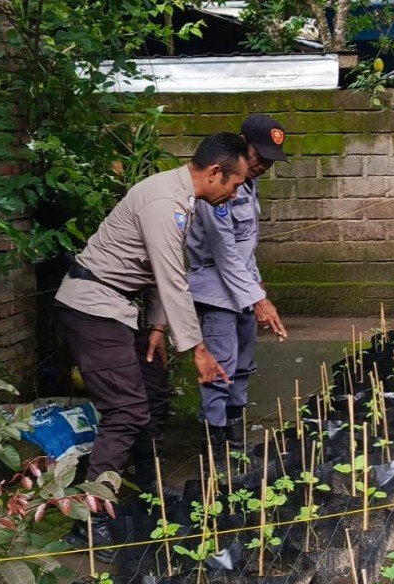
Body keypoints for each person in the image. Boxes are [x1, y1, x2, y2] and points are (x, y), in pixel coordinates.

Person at [56, 133, 248, 558]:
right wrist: (196, 349)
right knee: (125, 409)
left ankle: (147, 490)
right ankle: (91, 521)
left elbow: (164, 269)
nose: (236, 192)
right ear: (215, 173)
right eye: (235, 184)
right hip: (93, 308)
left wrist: (158, 330)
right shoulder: (166, 204)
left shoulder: (180, 199)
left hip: (118, 308)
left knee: (153, 391)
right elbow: (171, 277)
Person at [187, 114, 288, 450]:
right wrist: (258, 300)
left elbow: (247, 249)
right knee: (221, 364)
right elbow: (225, 251)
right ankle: (213, 441)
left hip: (243, 289)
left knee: (243, 363)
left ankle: (233, 432)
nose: (263, 166)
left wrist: (257, 288)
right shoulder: (217, 188)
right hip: (216, 293)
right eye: (259, 156)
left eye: (271, 162)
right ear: (242, 144)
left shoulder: (249, 185)